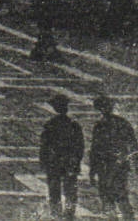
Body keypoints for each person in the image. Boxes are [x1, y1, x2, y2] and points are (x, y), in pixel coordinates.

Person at [88, 94, 138, 221]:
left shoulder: (100, 125)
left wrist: (92, 171)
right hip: (118, 165)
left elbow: (95, 150)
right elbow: (133, 144)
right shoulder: (122, 123)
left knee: (110, 199)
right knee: (120, 196)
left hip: (107, 167)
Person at [40, 93, 85, 221]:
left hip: (54, 162)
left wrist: (43, 161)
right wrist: (76, 161)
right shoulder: (74, 125)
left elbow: (44, 145)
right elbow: (80, 146)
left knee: (54, 190)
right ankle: (69, 215)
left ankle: (55, 214)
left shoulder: (50, 124)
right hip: (70, 162)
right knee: (70, 190)